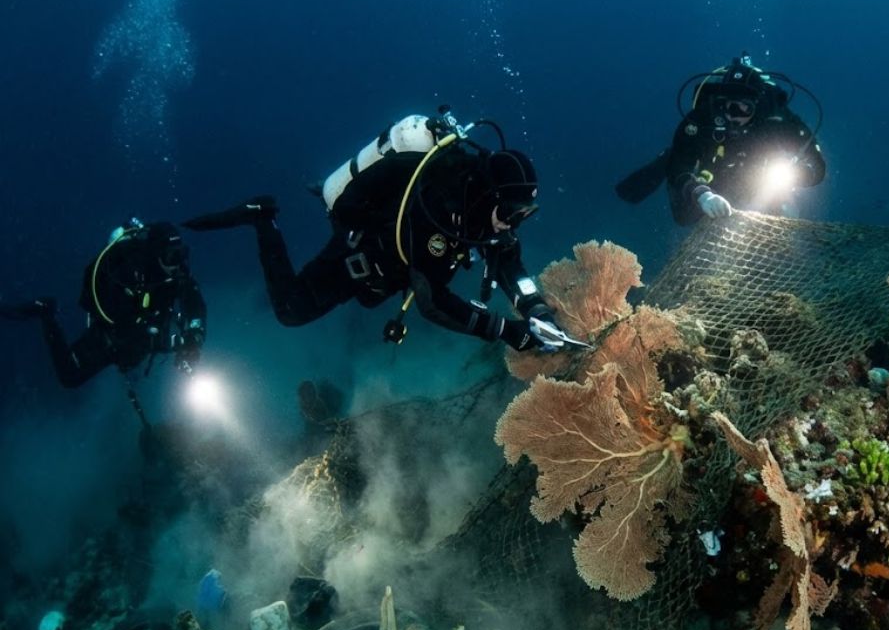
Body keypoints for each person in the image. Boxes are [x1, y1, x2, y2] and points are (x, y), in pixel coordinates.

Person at [183, 112, 576, 352]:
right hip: (363, 255)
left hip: (399, 261)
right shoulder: (440, 210)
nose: (513, 224)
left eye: (525, 214)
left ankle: (304, 197)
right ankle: (262, 217)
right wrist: (507, 331)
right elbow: (432, 302)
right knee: (290, 311)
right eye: (511, 212)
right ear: (489, 196)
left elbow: (509, 264)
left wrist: (535, 308)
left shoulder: (487, 214)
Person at [616, 53, 826, 225]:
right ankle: (669, 163)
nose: (733, 116)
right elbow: (680, 164)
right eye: (728, 106)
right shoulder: (704, 118)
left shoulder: (777, 121)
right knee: (684, 216)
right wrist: (700, 193)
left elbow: (818, 166)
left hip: (760, 177)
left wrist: (795, 176)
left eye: (743, 108)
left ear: (758, 106)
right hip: (712, 174)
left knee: (778, 216)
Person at [1, 219, 206, 388]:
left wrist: (194, 336)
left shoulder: (178, 273)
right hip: (112, 335)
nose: (178, 263)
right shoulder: (129, 274)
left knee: (135, 356)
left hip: (144, 338)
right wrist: (172, 343)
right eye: (172, 257)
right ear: (156, 254)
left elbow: (195, 303)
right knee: (70, 376)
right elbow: (126, 329)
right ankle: (46, 312)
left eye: (181, 254)